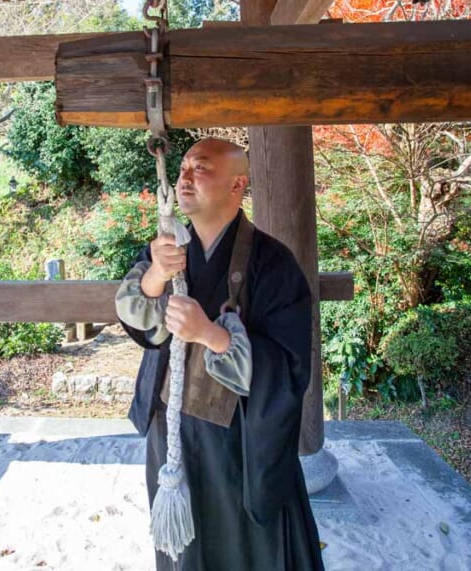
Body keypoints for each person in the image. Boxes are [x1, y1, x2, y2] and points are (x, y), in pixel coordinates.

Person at [115, 137, 325, 570]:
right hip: (170, 430)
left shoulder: (273, 263)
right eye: (184, 168)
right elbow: (138, 323)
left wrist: (212, 336)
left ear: (237, 185)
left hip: (238, 440)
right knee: (183, 549)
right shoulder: (166, 250)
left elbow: (289, 368)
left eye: (202, 168)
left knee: (242, 548)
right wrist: (156, 274)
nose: (185, 177)